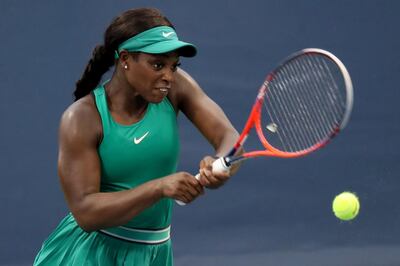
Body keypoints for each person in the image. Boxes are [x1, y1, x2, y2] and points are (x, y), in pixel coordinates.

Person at [34, 7, 239, 266]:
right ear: (126, 59)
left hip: (155, 252)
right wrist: (159, 188)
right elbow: (86, 213)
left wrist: (222, 165)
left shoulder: (176, 87)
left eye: (174, 66)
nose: (168, 76)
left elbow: (230, 138)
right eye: (157, 64)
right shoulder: (82, 118)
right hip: (92, 254)